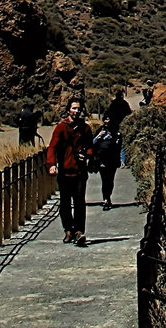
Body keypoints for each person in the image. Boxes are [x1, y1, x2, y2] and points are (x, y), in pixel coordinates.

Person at [47, 99, 92, 247]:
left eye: (79, 108)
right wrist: (52, 164)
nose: (77, 111)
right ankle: (68, 230)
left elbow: (91, 147)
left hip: (80, 171)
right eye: (74, 108)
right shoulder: (61, 128)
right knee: (65, 203)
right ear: (68, 111)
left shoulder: (85, 129)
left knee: (79, 201)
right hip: (65, 172)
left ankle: (79, 231)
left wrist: (86, 155)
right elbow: (52, 147)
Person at [91, 123, 120, 209]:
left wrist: (122, 160)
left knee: (110, 180)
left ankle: (108, 196)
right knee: (104, 180)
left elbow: (120, 146)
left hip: (112, 161)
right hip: (102, 161)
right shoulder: (99, 132)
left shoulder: (116, 134)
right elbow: (92, 143)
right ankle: (106, 199)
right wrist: (98, 136)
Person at [102, 92, 132, 169]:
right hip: (122, 126)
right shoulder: (125, 103)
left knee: (113, 143)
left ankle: (113, 161)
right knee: (121, 144)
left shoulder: (113, 104)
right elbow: (128, 114)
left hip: (113, 126)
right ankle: (122, 161)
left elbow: (108, 113)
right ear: (122, 96)